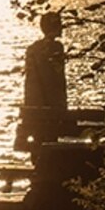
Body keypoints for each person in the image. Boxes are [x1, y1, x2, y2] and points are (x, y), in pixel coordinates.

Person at [18, 8, 71, 148]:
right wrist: (62, 103)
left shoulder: (32, 49)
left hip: (35, 103)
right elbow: (58, 79)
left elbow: (30, 80)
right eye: (59, 24)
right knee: (50, 138)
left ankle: (39, 163)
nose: (62, 27)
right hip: (51, 104)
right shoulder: (57, 47)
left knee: (39, 137)